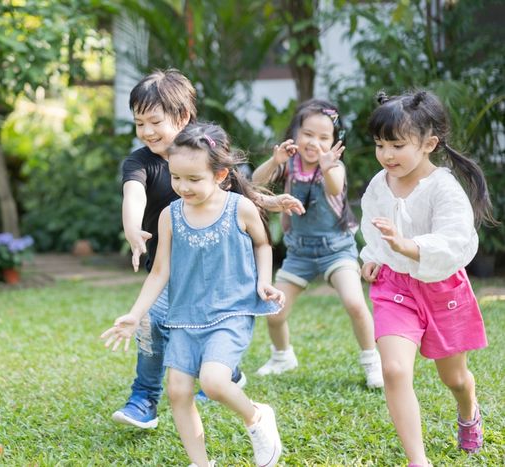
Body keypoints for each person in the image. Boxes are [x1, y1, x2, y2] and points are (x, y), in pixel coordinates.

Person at [115, 69, 303, 429]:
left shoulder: (205, 153)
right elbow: (133, 193)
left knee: (214, 325)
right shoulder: (139, 162)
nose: (147, 131)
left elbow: (239, 193)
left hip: (219, 273)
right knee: (151, 325)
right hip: (171, 271)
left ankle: (225, 372)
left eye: (155, 121)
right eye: (139, 123)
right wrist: (132, 229)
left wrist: (271, 201)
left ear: (183, 118)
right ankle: (144, 397)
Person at [103, 122, 285, 467]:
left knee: (215, 382)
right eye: (176, 178)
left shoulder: (240, 208)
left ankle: (258, 417)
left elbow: (263, 244)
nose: (182, 187)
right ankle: (200, 464)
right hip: (184, 316)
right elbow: (160, 272)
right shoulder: (170, 217)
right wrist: (135, 313)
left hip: (230, 311)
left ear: (220, 174)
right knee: (178, 392)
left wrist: (264, 281)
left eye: (193, 179)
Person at [361, 90, 493, 466]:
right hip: (394, 287)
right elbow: (375, 229)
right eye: (379, 145)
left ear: (429, 144)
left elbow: (454, 241)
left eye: (397, 145)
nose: (387, 155)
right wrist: (372, 256)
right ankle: (418, 461)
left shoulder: (444, 188)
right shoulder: (379, 183)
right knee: (394, 368)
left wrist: (409, 246)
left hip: (441, 288)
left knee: (454, 378)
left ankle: (468, 408)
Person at [251, 99, 383, 388]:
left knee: (355, 303)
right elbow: (255, 182)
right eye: (308, 134)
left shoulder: (335, 168)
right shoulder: (289, 166)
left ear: (335, 141)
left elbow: (335, 186)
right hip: (299, 252)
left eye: (324, 137)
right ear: (296, 133)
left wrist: (326, 167)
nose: (314, 142)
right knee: (275, 311)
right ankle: (282, 356)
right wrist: (275, 161)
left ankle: (372, 361)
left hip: (336, 249)